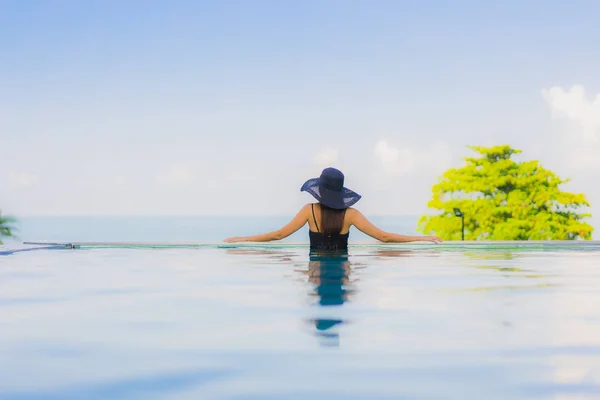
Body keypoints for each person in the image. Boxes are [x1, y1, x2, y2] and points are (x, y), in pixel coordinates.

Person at [224, 167, 442, 249]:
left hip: (315, 272)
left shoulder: (309, 211)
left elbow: (279, 235)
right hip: (343, 271)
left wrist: (241, 240)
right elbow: (384, 237)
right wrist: (422, 239)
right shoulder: (351, 215)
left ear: (320, 189)